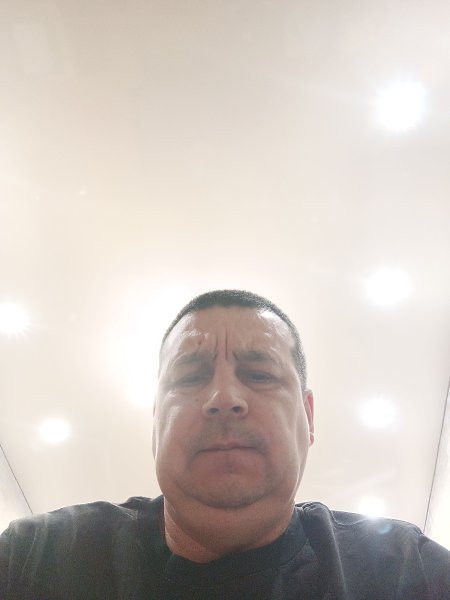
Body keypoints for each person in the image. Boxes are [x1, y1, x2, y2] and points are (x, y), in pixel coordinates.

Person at [1, 289, 449, 599]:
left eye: (260, 374)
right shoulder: (36, 557)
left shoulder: (404, 570)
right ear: (156, 421)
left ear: (308, 416)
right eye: (190, 377)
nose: (224, 397)